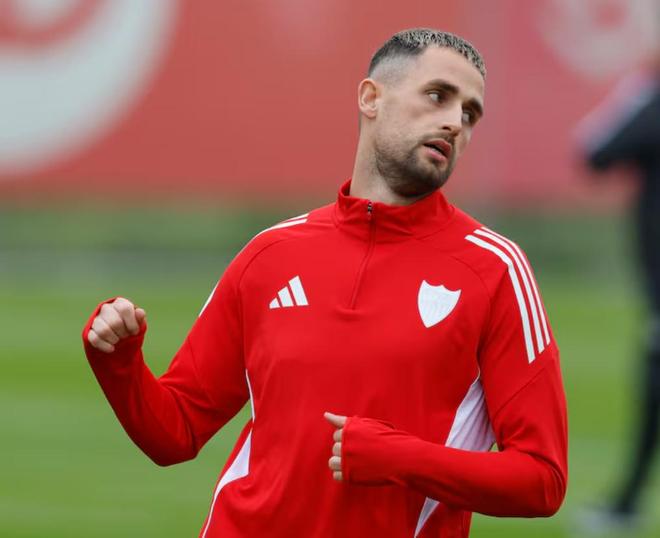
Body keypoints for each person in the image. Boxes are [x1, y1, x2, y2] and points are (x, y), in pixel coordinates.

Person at [82, 28, 568, 537]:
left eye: (469, 113)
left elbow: (542, 479)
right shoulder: (269, 254)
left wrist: (401, 458)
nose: (454, 122)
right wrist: (119, 363)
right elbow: (174, 432)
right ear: (371, 98)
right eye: (437, 95)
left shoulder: (496, 270)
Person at [575, 51, 660, 531]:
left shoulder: (653, 103)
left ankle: (626, 503)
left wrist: (638, 92)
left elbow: (595, 150)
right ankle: (626, 501)